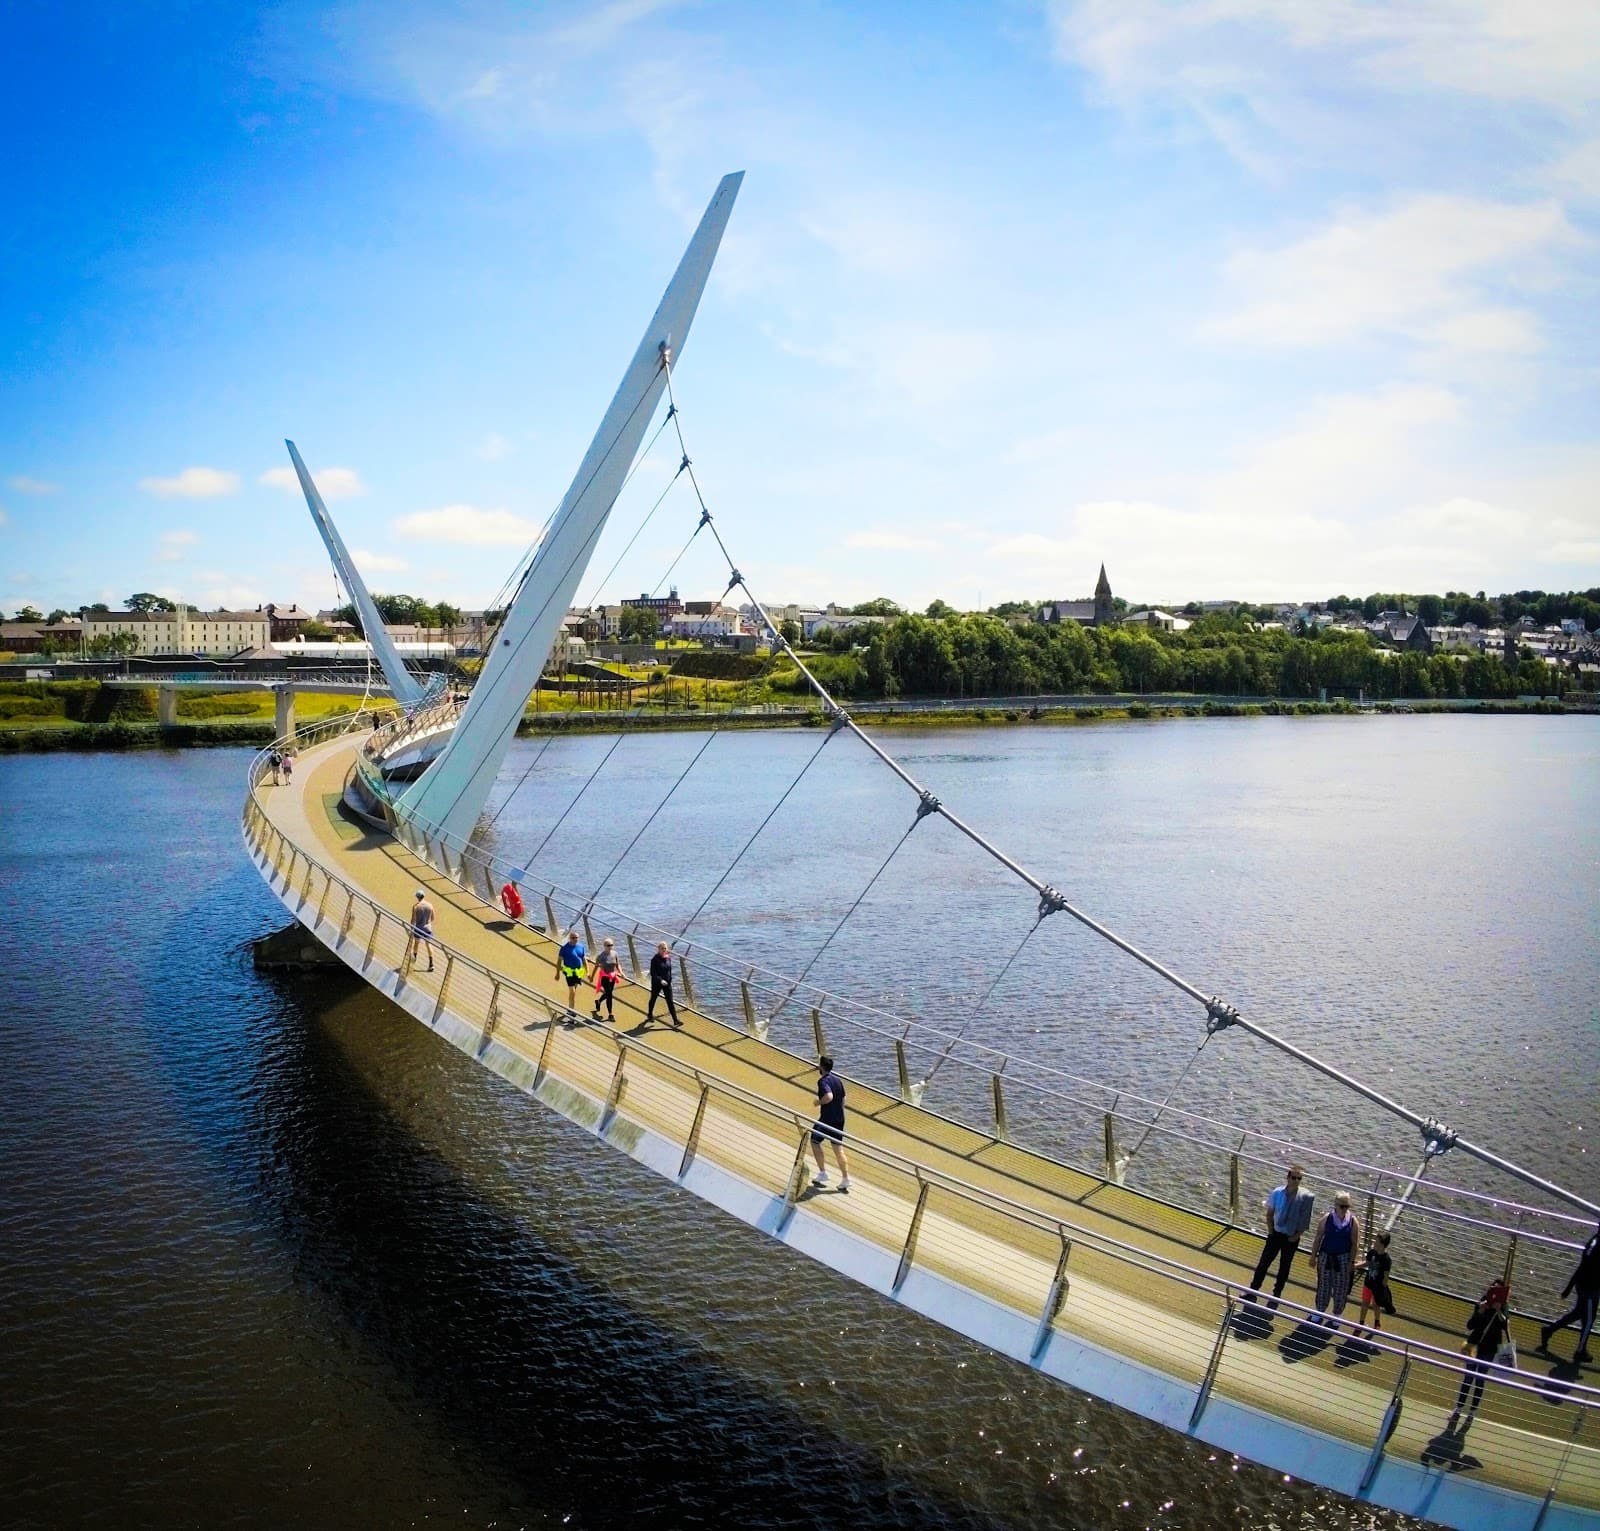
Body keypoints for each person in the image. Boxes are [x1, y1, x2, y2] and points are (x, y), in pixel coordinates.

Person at [1246, 1165, 1314, 1305]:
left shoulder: (1304, 1197)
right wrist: (1271, 1231)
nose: (1296, 1181)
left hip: (1291, 1237)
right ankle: (1253, 1289)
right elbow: (1270, 1213)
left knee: (1284, 1266)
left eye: (1299, 1178)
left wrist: (1296, 1236)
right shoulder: (1277, 1192)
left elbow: (1305, 1219)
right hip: (1276, 1234)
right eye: (1293, 1177)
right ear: (1288, 1178)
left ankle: (1276, 1294)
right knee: (1264, 1262)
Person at [1449, 1280, 1512, 1429]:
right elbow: (1470, 1325)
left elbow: (1505, 1325)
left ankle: (1472, 1411)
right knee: (1468, 1378)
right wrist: (1480, 1311)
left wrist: (1498, 1311)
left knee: (1480, 1380)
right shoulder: (1482, 1303)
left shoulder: (1503, 1306)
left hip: (1489, 1348)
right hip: (1475, 1345)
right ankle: (1458, 1408)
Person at [1540, 1221, 1600, 1364]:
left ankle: (1549, 1330)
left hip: (1583, 1285)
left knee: (1578, 1313)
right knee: (1589, 1321)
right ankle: (1580, 1351)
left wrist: (1570, 1286)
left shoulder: (1593, 1242)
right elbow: (1587, 1267)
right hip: (1590, 1289)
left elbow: (1582, 1266)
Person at [1308, 1192, 1361, 1327]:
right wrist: (1313, 1256)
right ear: (1336, 1205)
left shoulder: (1353, 1221)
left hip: (1343, 1258)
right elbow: (1318, 1238)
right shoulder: (1327, 1218)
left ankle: (1337, 1313)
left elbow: (1355, 1243)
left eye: (1347, 1206)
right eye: (1342, 1206)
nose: (1344, 1209)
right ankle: (1319, 1310)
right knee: (1323, 1285)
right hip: (1326, 1256)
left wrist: (1352, 1262)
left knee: (1341, 1288)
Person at [809, 1055, 851, 1192]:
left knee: (814, 1141)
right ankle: (845, 1179)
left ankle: (823, 1173)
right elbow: (843, 1099)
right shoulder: (838, 1080)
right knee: (838, 1149)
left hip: (827, 1119)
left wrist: (818, 1102)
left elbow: (829, 1096)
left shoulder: (822, 1081)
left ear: (821, 1067)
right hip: (839, 1118)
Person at [1354, 1230, 1395, 1336]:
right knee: (1364, 1304)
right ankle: (1361, 1323)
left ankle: (1377, 1322)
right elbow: (1367, 1263)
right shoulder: (1372, 1252)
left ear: (1382, 1245)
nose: (1374, 1244)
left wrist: (1383, 1289)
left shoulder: (1386, 1260)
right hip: (1368, 1284)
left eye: (1376, 1242)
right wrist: (1355, 1266)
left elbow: (1386, 1277)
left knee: (1376, 1305)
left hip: (1377, 1288)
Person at [555, 930, 586, 1024]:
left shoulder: (581, 947)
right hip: (569, 972)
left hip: (578, 972)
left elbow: (584, 959)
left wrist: (587, 971)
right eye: (573, 938)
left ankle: (570, 1008)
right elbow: (559, 961)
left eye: (577, 938)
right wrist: (557, 973)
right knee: (572, 992)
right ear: (569, 938)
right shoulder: (564, 948)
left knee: (574, 992)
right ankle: (572, 1012)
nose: (575, 939)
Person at [646, 941, 680, 1027]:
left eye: (665, 948)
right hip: (657, 982)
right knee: (653, 998)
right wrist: (660, 980)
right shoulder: (655, 959)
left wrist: (670, 980)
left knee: (670, 1001)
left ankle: (675, 1020)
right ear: (658, 949)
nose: (664, 950)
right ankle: (650, 1014)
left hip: (667, 983)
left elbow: (669, 970)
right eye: (662, 948)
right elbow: (653, 972)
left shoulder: (668, 957)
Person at [592, 937, 624, 1022]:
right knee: (609, 995)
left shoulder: (615, 954)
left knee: (607, 993)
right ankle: (610, 1014)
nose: (610, 947)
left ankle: (598, 1001)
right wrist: (592, 976)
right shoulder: (601, 956)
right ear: (604, 946)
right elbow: (596, 967)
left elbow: (618, 964)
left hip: (612, 977)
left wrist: (621, 972)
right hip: (604, 978)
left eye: (612, 945)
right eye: (608, 945)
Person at [404, 890, 436, 973]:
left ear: (417, 897)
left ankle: (413, 961)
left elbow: (413, 920)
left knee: (416, 943)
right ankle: (431, 964)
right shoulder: (430, 905)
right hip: (428, 928)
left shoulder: (416, 906)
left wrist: (412, 928)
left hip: (419, 928)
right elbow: (433, 918)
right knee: (428, 945)